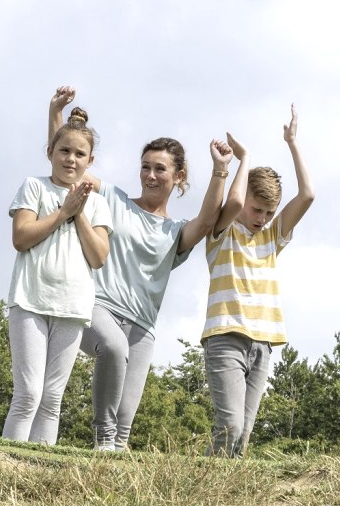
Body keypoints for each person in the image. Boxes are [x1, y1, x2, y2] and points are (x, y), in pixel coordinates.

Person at [45, 87, 239, 450]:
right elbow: (67, 167)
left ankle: (106, 478)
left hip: (142, 327)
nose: (150, 175)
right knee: (113, 351)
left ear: (178, 177)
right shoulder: (115, 200)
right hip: (98, 307)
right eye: (145, 167)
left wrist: (220, 170)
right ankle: (101, 437)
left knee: (125, 426)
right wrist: (56, 113)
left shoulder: (176, 231)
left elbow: (209, 218)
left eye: (160, 169)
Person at [201, 105, 315, 458]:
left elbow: (308, 195)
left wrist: (292, 143)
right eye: (257, 210)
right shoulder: (223, 229)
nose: (263, 219)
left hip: (263, 342)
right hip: (225, 336)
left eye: (269, 212)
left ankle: (226, 496)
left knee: (244, 435)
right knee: (230, 425)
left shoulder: (272, 237)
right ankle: (202, 484)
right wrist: (243, 158)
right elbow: (234, 201)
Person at [3, 107, 112, 445]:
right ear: (50, 152)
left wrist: (77, 213)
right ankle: (6, 465)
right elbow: (21, 238)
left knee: (51, 399)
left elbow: (98, 257)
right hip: (30, 301)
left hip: (73, 307)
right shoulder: (34, 187)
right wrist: (63, 211)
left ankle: (36, 469)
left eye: (80, 154)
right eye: (64, 151)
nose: (71, 159)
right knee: (28, 394)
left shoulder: (97, 204)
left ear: (90, 161)